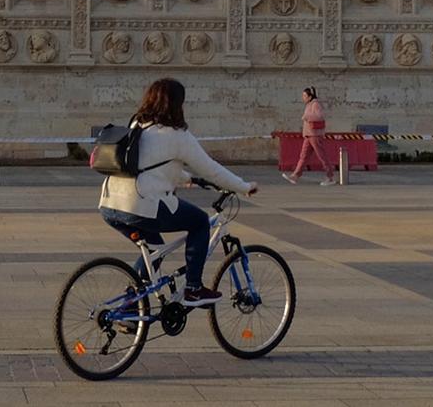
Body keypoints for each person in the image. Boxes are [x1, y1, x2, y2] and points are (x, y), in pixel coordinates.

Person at [97, 77, 256, 309]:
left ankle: (130, 309)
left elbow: (149, 165)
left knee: (155, 250)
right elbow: (211, 169)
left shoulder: (138, 125)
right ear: (176, 104)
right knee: (200, 222)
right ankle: (193, 288)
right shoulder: (178, 136)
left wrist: (186, 178)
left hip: (110, 204)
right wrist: (243, 186)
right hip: (141, 205)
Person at [282, 86, 335, 187]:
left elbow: (320, 116)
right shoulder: (309, 104)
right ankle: (295, 175)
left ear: (310, 96)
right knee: (303, 156)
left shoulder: (315, 104)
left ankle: (330, 177)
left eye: (304, 95)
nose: (303, 97)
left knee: (322, 156)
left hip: (314, 135)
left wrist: (306, 117)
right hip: (308, 135)